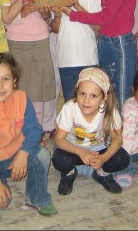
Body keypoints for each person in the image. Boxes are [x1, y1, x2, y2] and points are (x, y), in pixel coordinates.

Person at [0, 52, 57, 217]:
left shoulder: (21, 98)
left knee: (43, 154)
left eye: (6, 79)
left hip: (16, 156)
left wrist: (23, 153)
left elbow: (34, 130)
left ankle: (37, 198)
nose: (0, 86)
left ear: (14, 81)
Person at [59, 0, 137, 109]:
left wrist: (72, 13)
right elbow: (103, 21)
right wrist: (78, 7)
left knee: (120, 95)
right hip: (105, 42)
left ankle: (123, 127)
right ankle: (110, 125)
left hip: (120, 44)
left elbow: (103, 17)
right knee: (107, 93)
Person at [5, 0, 55, 140]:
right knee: (18, 89)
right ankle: (18, 132)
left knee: (39, 90)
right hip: (16, 43)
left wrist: (45, 14)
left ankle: (37, 132)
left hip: (40, 42)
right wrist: (22, 13)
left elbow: (49, 18)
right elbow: (4, 20)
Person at [52, 67, 130, 195]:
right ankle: (69, 174)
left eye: (93, 96)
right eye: (82, 94)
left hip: (99, 149)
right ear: (77, 92)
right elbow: (59, 140)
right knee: (58, 159)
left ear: (104, 97)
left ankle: (102, 174)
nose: (86, 100)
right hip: (74, 149)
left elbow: (117, 139)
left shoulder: (110, 111)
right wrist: (81, 152)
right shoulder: (69, 109)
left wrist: (103, 158)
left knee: (122, 158)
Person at [38, 0, 78, 142]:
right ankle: (49, 123)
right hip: (52, 31)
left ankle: (75, 123)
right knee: (52, 77)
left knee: (73, 79)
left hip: (75, 31)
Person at [51, 0, 101, 102]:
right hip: (65, 59)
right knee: (71, 103)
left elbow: (97, 26)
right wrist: (57, 17)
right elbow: (55, 29)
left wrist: (77, 6)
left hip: (88, 59)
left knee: (90, 102)